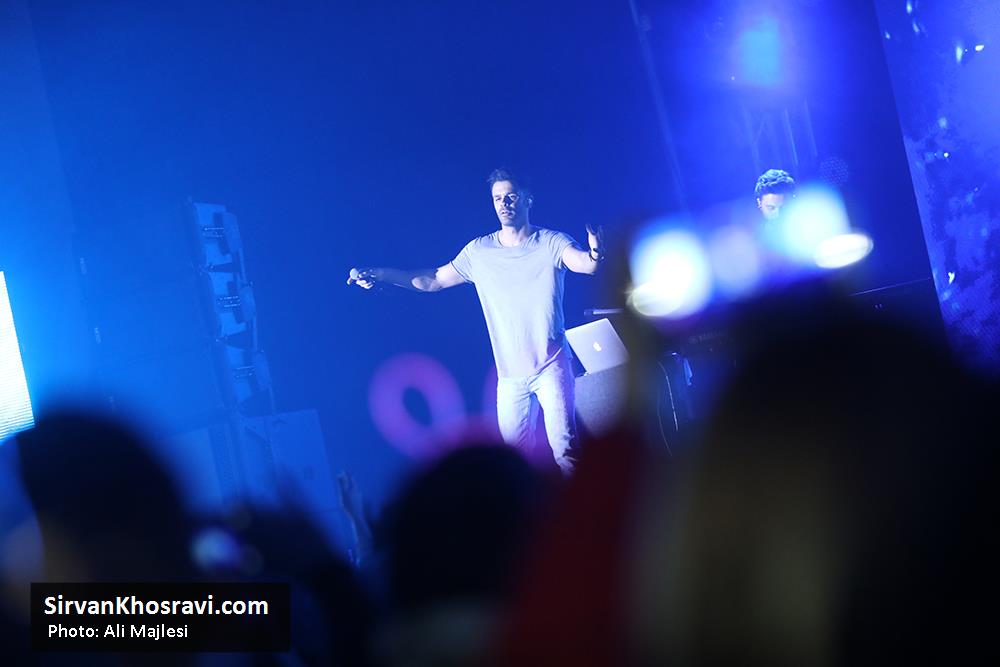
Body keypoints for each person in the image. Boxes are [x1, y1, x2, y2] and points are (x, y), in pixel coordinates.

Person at [348, 168, 605, 473]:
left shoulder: (550, 242)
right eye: (497, 198)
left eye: (510, 196)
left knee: (565, 451)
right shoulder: (479, 252)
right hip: (510, 377)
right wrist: (380, 274)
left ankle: (584, 503)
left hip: (552, 366)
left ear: (527, 200)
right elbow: (433, 280)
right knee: (513, 463)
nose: (504, 204)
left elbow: (585, 264)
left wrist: (595, 251)